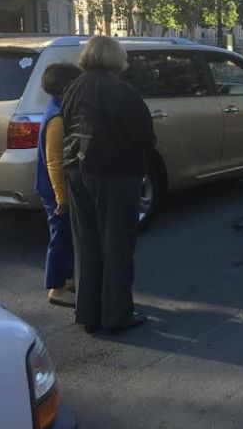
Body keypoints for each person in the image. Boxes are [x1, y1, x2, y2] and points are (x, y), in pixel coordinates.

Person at [62, 35, 157, 334]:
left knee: (87, 243)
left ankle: (89, 313)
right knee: (116, 244)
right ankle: (117, 314)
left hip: (77, 170)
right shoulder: (121, 92)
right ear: (115, 59)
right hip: (114, 173)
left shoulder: (73, 88)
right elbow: (145, 137)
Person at [36, 62, 82, 308]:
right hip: (54, 189)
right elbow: (54, 162)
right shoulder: (56, 118)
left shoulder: (56, 108)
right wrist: (61, 198)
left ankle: (67, 279)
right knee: (59, 237)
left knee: (66, 235)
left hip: (56, 187)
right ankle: (55, 287)